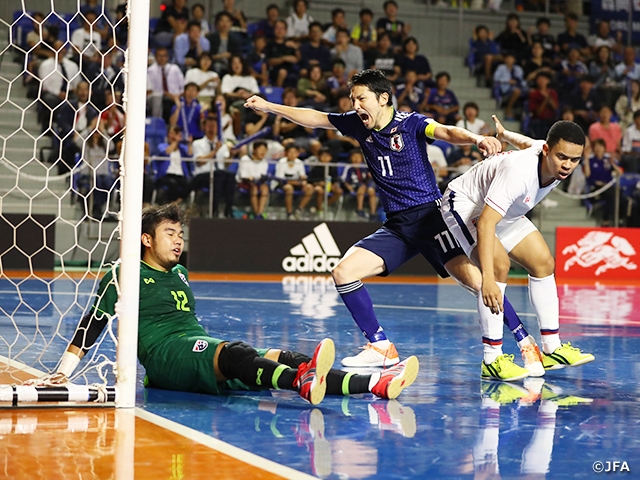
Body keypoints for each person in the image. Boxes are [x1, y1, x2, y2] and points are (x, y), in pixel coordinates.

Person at [245, 69, 539, 377]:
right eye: (352, 98)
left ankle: (525, 342)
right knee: (343, 272)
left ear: (383, 98)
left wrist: (476, 138)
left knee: (480, 284)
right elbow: (315, 117)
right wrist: (269, 107)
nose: (355, 104)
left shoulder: (410, 123)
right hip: (398, 225)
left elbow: (447, 131)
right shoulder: (358, 126)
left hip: (431, 219)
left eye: (361, 98)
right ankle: (381, 347)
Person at [32, 204, 419, 406]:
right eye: (170, 234)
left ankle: (374, 384)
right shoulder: (124, 271)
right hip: (165, 356)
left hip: (191, 347)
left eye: (180, 234)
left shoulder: (180, 272)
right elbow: (93, 321)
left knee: (284, 355)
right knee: (237, 354)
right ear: (146, 240)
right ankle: (301, 382)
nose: (178, 240)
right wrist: (63, 371)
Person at [440, 117, 595, 380]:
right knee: (499, 267)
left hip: (505, 212)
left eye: (574, 159)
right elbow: (486, 222)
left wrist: (505, 133)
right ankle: (492, 359)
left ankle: (552, 348)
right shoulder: (519, 172)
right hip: (467, 204)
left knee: (544, 263)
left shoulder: (550, 157)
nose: (567, 165)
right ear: (547, 150)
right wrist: (487, 279)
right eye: (562, 157)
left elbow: (525, 141)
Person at [583, 138, 623, 226]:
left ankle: (619, 219)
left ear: (604, 148)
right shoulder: (591, 160)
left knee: (620, 194)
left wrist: (612, 163)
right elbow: (587, 175)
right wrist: (586, 158)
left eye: (600, 146)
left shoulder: (607, 160)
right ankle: (606, 220)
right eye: (596, 146)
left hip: (608, 187)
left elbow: (620, 173)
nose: (598, 149)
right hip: (596, 189)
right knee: (612, 195)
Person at [236, 141, 271, 219]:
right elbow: (243, 175)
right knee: (254, 188)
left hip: (258, 182)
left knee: (265, 188)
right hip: (245, 182)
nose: (263, 152)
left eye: (265, 150)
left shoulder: (264, 162)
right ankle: (256, 213)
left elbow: (262, 175)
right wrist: (250, 178)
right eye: (261, 149)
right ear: (254, 150)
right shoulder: (245, 159)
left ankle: (259, 213)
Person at [342, 149, 377, 220]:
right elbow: (344, 180)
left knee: (371, 191)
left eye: (358, 157)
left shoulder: (364, 167)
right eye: (354, 156)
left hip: (365, 186)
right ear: (351, 158)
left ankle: (373, 213)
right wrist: (349, 188)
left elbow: (369, 177)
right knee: (362, 187)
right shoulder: (349, 167)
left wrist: (370, 175)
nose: (356, 159)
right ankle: (359, 210)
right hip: (354, 186)